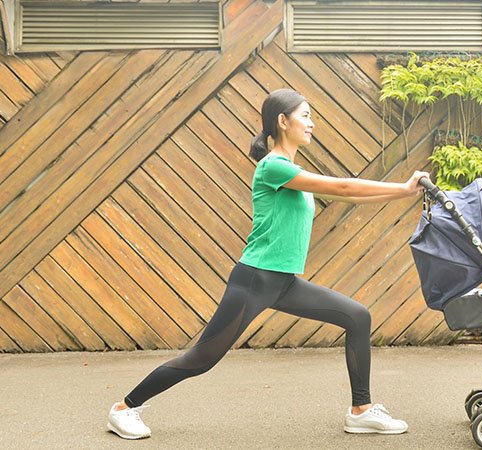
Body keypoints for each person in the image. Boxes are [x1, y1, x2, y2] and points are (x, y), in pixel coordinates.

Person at [107, 88, 429, 440]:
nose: (312, 123)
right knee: (201, 359)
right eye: (305, 116)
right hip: (255, 280)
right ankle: (124, 408)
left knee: (357, 317)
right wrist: (402, 188)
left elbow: (350, 196)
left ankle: (361, 411)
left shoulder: (292, 171)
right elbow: (344, 188)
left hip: (283, 283)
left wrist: (404, 192)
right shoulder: (273, 167)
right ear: (283, 121)